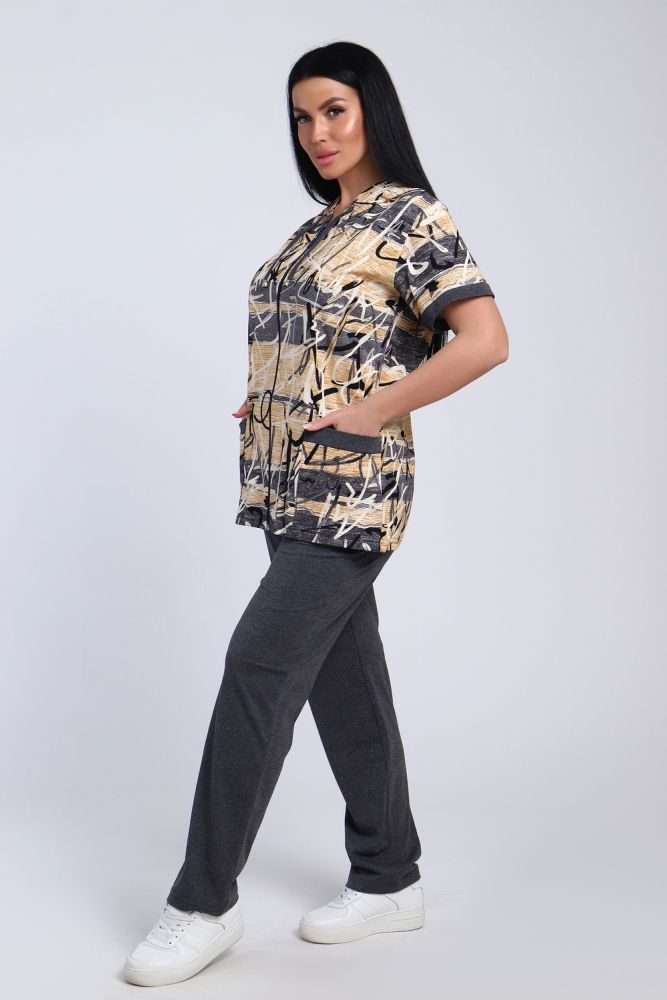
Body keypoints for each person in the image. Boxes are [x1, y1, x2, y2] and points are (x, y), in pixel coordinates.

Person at [124, 39, 508, 988]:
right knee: (345, 681)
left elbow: (482, 339)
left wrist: (372, 411)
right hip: (282, 483)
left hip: (352, 487)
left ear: (372, 108)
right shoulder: (313, 230)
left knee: (257, 665)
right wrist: (274, 396)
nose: (317, 132)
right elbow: (326, 342)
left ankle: (202, 902)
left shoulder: (409, 216)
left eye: (334, 109)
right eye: (302, 117)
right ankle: (388, 876)